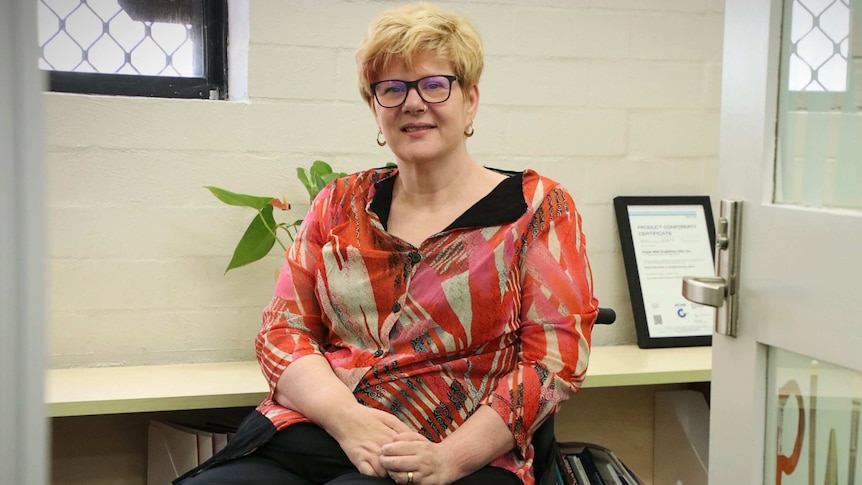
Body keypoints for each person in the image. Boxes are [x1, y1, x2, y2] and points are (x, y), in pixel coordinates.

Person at [175, 3, 598, 485]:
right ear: (375, 109)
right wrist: (347, 421)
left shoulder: (537, 208)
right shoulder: (340, 202)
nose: (413, 103)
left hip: (455, 449)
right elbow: (283, 332)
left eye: (434, 85)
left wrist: (450, 459)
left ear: (470, 100)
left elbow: (553, 363)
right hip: (321, 430)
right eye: (391, 89)